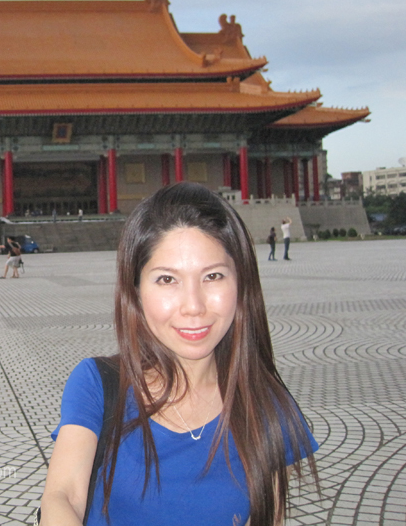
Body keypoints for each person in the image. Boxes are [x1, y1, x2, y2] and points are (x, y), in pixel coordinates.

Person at [40, 183, 318, 526]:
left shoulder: (266, 404)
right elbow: (63, 495)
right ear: (136, 290)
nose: (194, 307)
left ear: (242, 283)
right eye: (167, 280)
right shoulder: (99, 384)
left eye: (213, 276)